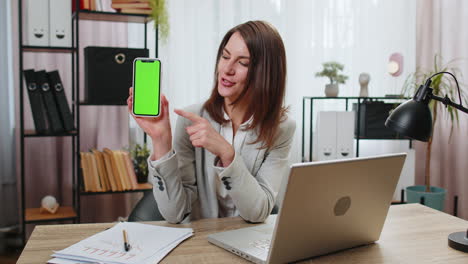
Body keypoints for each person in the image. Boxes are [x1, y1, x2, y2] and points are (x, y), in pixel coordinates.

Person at [127, 20, 295, 224]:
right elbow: (174, 213)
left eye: (243, 63)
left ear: (266, 73)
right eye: (225, 56)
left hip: (248, 240)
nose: (227, 69)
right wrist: (161, 140)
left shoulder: (282, 128)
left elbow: (258, 211)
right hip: (200, 241)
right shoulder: (191, 119)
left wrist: (227, 154)